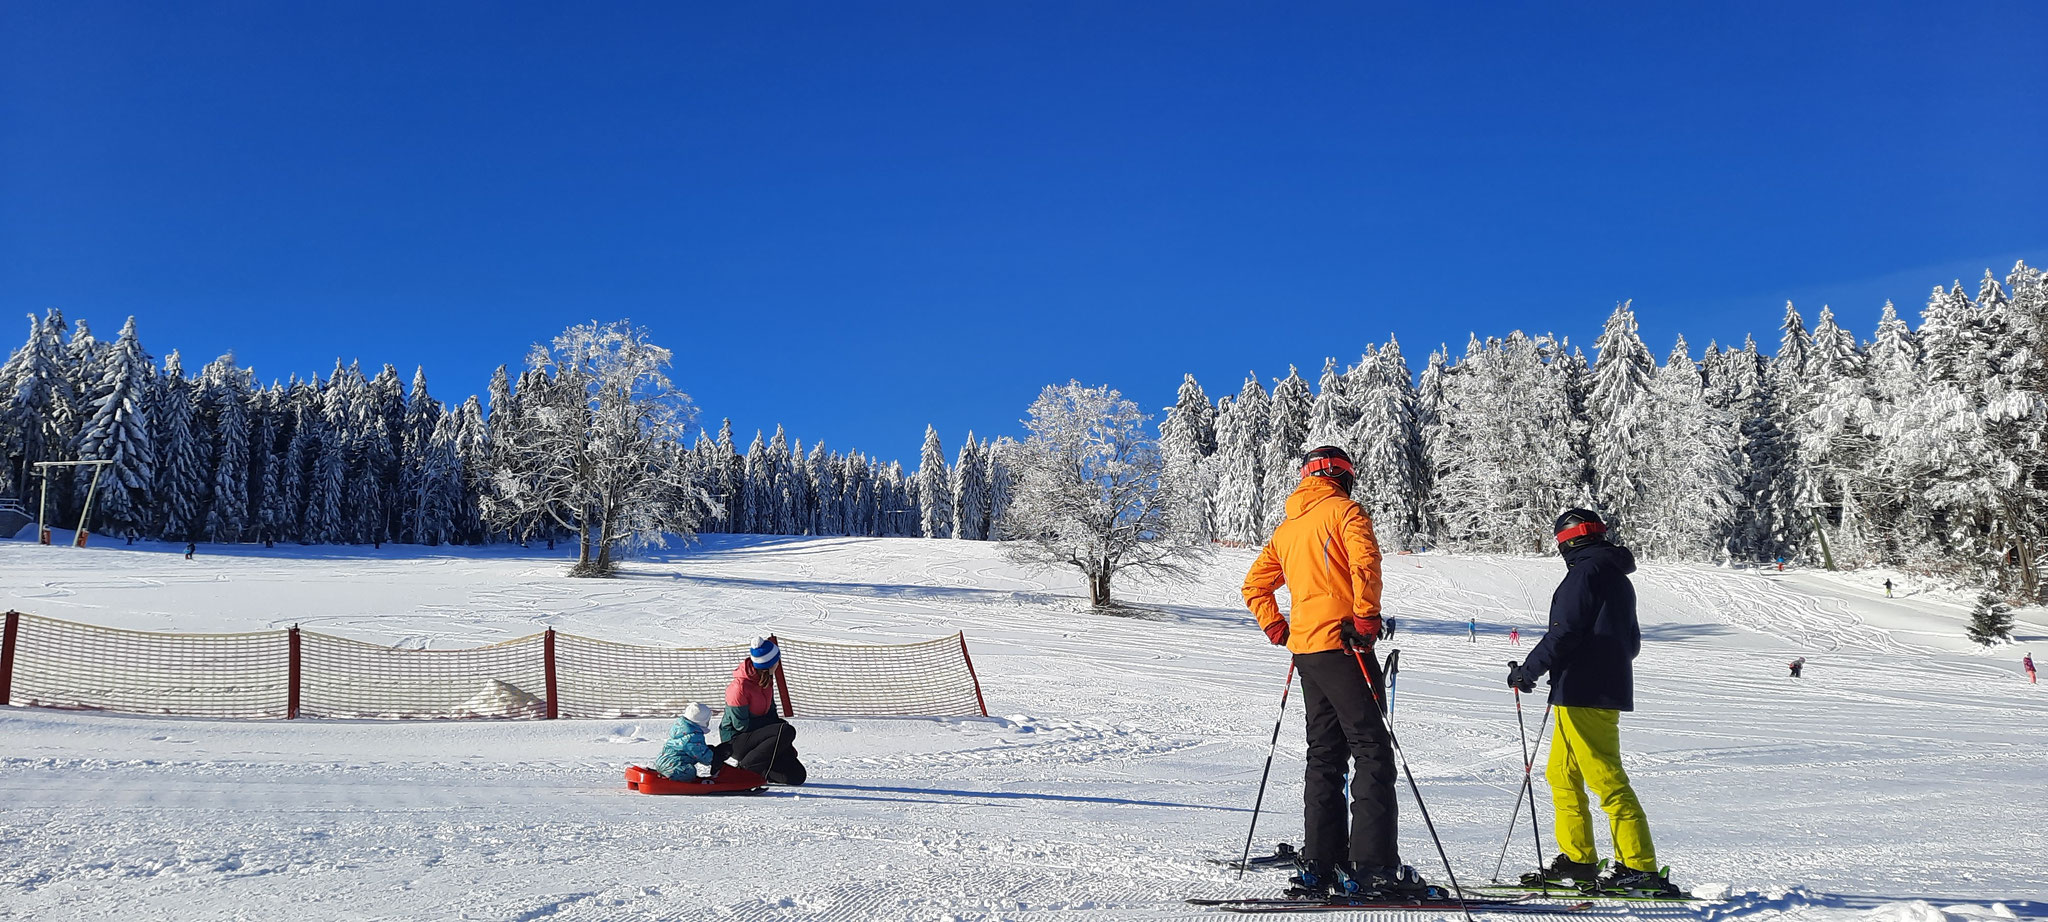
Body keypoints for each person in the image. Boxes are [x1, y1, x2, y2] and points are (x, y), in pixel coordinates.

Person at [1243, 446, 1431, 899]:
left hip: (1308, 652)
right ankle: (1374, 868)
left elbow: (1254, 585)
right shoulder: (1345, 511)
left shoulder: (1288, 529)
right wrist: (1366, 619)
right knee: (1371, 749)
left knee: (1324, 753)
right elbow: (1366, 563)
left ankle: (1322, 862)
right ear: (1343, 477)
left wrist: (1279, 628)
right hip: (1346, 644)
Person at [1506, 509, 1680, 898]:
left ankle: (1639, 867)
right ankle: (1579, 861)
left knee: (1605, 778)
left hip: (1586, 691)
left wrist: (1528, 671)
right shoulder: (1615, 577)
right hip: (1584, 689)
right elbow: (1630, 643)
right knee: (1561, 776)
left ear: (1568, 542)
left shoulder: (1583, 575)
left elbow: (1564, 632)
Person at [722, 636, 807, 785]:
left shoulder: (766, 680)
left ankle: (759, 771)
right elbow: (740, 725)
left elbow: (772, 716)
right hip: (736, 740)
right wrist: (778, 731)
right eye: (777, 660)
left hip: (760, 742)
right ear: (769, 664)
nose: (778, 663)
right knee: (786, 730)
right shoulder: (739, 688)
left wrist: (784, 744)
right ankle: (744, 770)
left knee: (797, 776)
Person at [654, 702, 730, 781]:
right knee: (689, 772)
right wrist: (714, 758)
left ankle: (667, 775)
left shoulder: (681, 729)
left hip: (664, 761)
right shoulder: (693, 736)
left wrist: (709, 749)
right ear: (702, 720)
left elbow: (694, 749)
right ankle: (673, 780)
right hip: (674, 766)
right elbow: (700, 754)